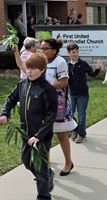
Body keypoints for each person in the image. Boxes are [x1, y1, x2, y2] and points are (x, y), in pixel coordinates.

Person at [0, 53, 58, 200]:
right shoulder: (23, 85)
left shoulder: (47, 90)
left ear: (42, 70)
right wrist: (4, 112)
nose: (29, 71)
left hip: (41, 137)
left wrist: (38, 136)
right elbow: (11, 98)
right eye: (28, 68)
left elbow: (50, 116)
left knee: (40, 167)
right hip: (26, 134)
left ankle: (44, 196)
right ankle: (47, 175)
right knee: (26, 161)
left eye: (33, 69)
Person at [40, 38, 75, 176]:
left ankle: (68, 163)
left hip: (58, 104)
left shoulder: (60, 62)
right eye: (41, 48)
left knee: (61, 135)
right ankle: (46, 168)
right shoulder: (41, 61)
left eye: (45, 49)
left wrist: (46, 88)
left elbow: (64, 82)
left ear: (54, 50)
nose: (42, 51)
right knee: (44, 135)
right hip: (43, 103)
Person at [67, 42, 103, 143]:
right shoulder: (67, 65)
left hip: (82, 94)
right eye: (73, 52)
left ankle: (82, 135)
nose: (76, 54)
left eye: (77, 52)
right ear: (69, 53)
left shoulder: (83, 64)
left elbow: (93, 74)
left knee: (81, 115)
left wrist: (98, 68)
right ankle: (76, 130)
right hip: (72, 94)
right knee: (70, 114)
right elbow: (66, 80)